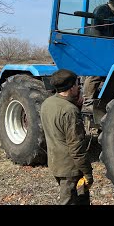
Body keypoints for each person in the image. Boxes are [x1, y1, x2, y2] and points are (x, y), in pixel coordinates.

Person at [40, 69, 94, 205]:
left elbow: (58, 129)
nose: (79, 87)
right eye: (77, 84)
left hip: (56, 164)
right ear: (71, 87)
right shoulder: (69, 111)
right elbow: (76, 148)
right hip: (71, 170)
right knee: (70, 201)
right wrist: (87, 173)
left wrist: (77, 106)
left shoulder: (47, 103)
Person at [82, 0, 114, 112]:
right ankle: (87, 103)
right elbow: (97, 29)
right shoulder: (101, 10)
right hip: (99, 44)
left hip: (110, 45)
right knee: (95, 73)